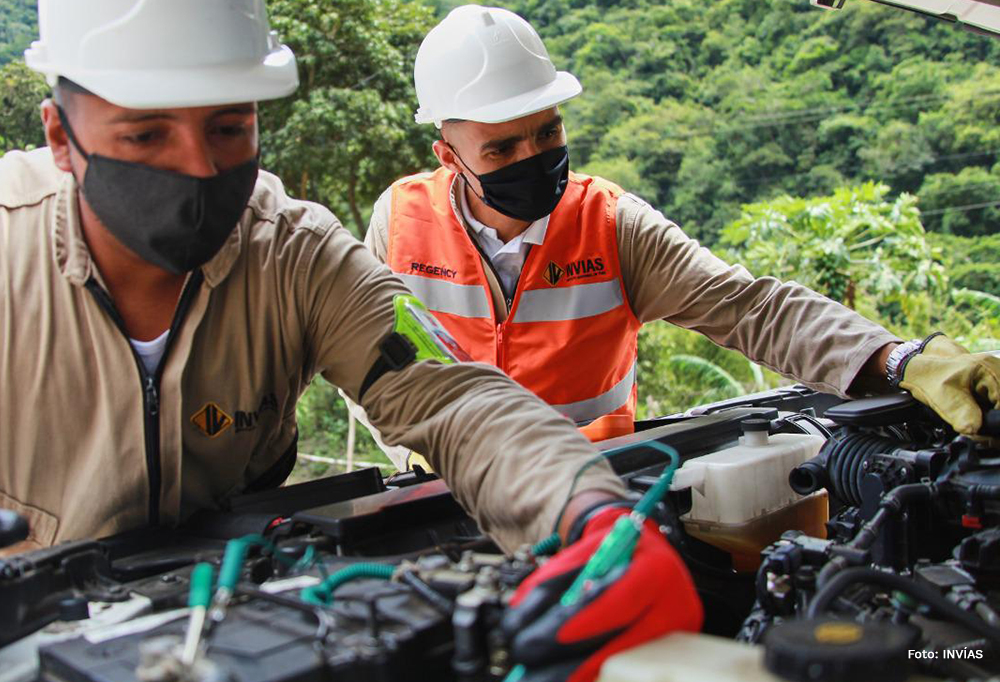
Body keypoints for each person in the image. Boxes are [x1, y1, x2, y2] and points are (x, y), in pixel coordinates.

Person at [0, 2, 702, 676]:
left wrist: (592, 514)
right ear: (61, 136)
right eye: (147, 133)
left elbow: (453, 395)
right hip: (21, 642)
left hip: (240, 628)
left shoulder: (300, 255)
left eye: (229, 127)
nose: (199, 168)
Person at [361, 4, 1000, 448]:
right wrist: (416, 452)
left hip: (593, 494)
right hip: (438, 496)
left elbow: (756, 310)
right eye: (502, 150)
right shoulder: (401, 220)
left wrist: (899, 359)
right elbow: (373, 359)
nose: (534, 158)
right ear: (450, 157)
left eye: (548, 132)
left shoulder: (611, 225)